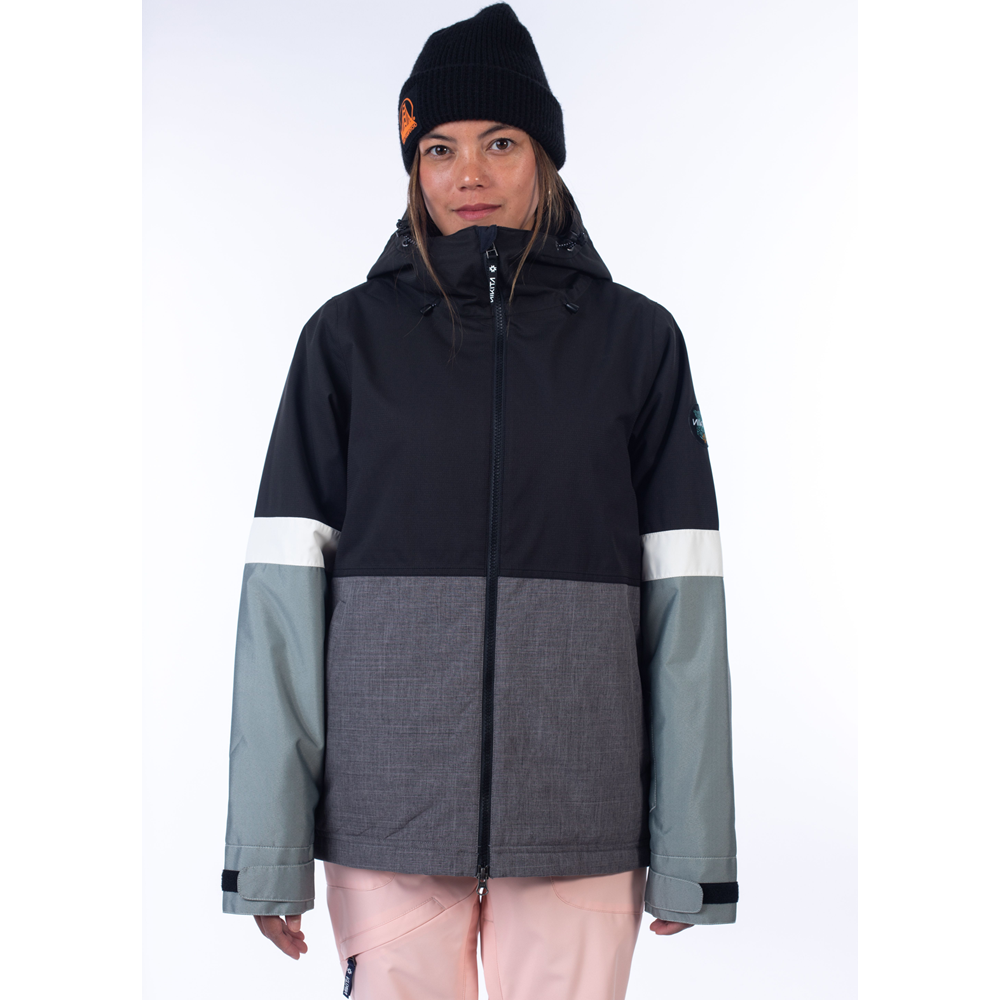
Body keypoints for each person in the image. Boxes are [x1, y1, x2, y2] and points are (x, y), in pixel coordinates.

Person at [221, 5, 737, 998]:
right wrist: (268, 847)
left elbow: (685, 612)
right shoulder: (345, 342)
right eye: (441, 148)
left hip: (580, 816)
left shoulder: (637, 343)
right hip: (387, 818)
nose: (469, 173)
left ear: (544, 158)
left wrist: (693, 846)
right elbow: (282, 609)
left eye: (501, 142)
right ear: (413, 166)